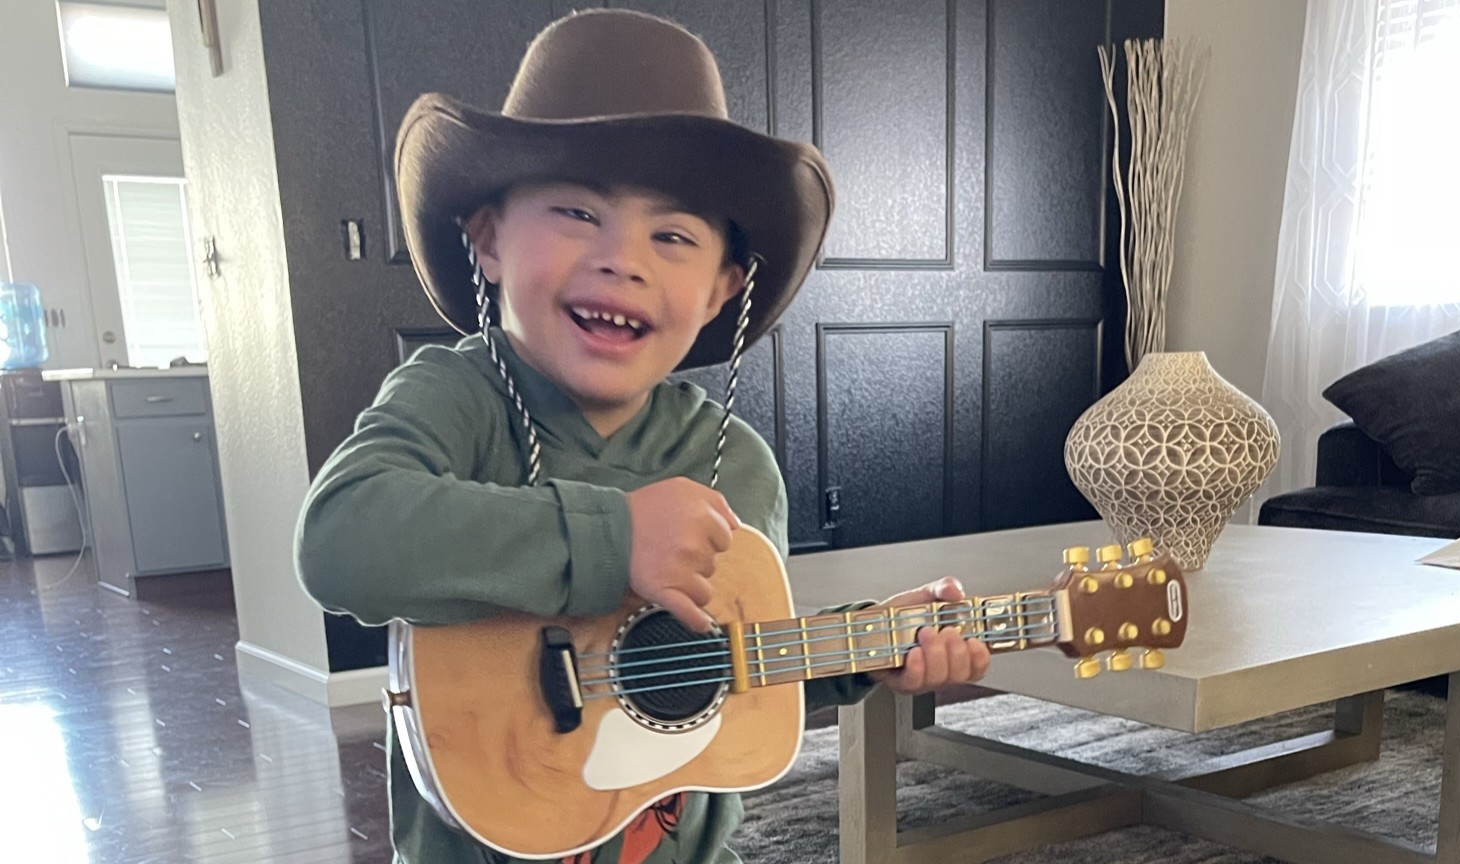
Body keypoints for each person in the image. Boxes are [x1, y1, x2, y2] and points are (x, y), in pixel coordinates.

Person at [294, 9, 989, 863]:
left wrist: (870, 649)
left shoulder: (738, 470)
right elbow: (339, 539)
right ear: (487, 238)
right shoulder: (456, 396)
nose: (625, 259)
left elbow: (726, 673)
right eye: (577, 213)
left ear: (721, 288)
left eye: (672, 235)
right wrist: (613, 539)